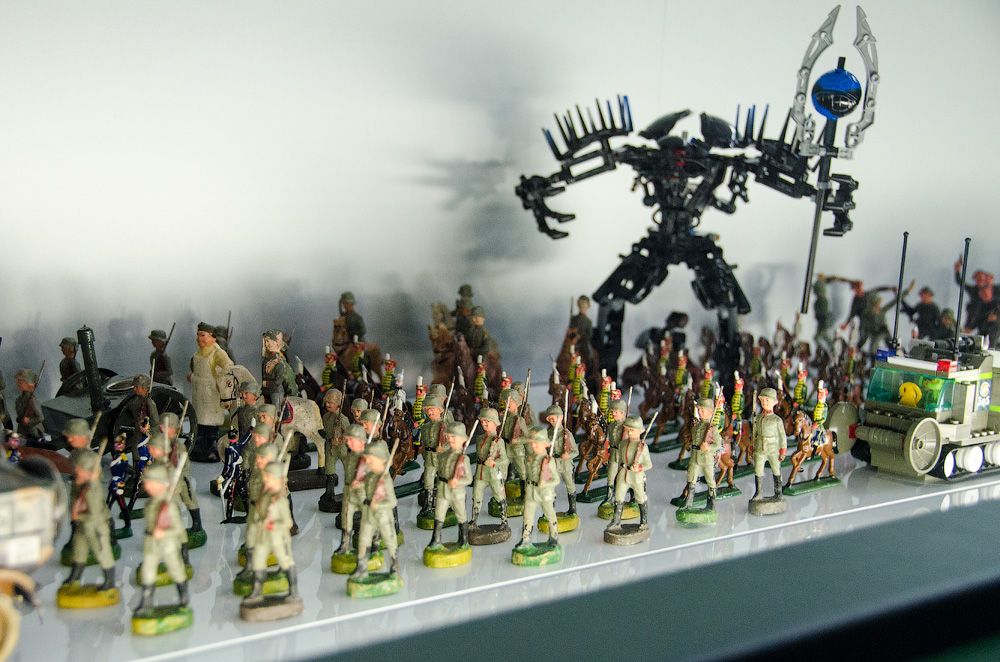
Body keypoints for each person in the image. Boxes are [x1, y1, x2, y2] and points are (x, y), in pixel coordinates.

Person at [134, 464, 189, 615]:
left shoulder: (169, 506)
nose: (147, 486)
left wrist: (164, 533)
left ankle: (184, 599)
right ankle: (146, 603)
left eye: (151, 483)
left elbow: (179, 529)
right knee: (147, 572)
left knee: (176, 570)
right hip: (151, 544)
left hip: (168, 545)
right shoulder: (150, 503)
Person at [244, 462, 298, 603]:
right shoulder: (265, 496)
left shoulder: (281, 502)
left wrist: (273, 524)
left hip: (278, 539)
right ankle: (257, 591)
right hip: (263, 537)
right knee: (258, 561)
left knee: (285, 562)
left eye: (269, 478)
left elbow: (288, 522)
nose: (266, 481)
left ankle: (293, 591)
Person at [63, 449, 116, 592]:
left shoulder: (93, 490)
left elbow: (95, 514)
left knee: (102, 553)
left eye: (79, 469)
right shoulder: (81, 485)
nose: (76, 471)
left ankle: (109, 582)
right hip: (83, 526)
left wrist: (77, 516)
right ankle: (75, 576)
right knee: (79, 551)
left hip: (95, 527)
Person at [352, 442, 400, 578]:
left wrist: (378, 505)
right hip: (368, 515)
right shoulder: (369, 476)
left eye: (371, 460)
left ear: (381, 460)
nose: (368, 462)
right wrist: (358, 486)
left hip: (383, 516)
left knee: (390, 540)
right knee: (364, 540)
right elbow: (365, 491)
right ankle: (361, 568)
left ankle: (394, 565)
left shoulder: (385, 480)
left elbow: (392, 501)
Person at [187, 322, 233, 462]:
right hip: (198, 392)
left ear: (213, 337)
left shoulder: (218, 353)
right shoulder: (198, 353)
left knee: (210, 421)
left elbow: (228, 368)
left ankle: (212, 449)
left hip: (211, 393)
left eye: (203, 335)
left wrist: (222, 383)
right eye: (198, 335)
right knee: (199, 419)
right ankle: (198, 448)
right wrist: (192, 375)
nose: (199, 339)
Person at [425, 422, 473, 551]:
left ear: (463, 440)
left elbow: (469, 479)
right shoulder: (444, 455)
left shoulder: (464, 459)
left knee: (461, 515)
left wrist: (458, 482)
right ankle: (436, 539)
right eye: (449, 436)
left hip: (457, 493)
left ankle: (463, 540)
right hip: (443, 490)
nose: (450, 439)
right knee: (439, 514)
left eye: (454, 437)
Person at [514, 428, 560, 549]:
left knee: (550, 515)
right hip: (531, 492)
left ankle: (554, 537)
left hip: (545, 493)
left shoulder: (549, 461)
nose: (533, 445)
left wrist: (545, 484)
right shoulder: (530, 458)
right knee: (527, 516)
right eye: (532, 442)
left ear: (544, 443)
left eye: (536, 443)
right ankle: (526, 539)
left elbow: (556, 480)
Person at [605, 416, 652, 532]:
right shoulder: (622, 444)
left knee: (641, 498)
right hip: (623, 474)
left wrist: (639, 467)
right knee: (618, 497)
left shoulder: (643, 447)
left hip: (636, 477)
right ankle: (616, 522)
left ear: (640, 431)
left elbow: (649, 464)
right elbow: (620, 461)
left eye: (632, 430)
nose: (629, 432)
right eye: (628, 429)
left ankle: (644, 522)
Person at [680, 397, 722, 511]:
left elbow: (718, 445)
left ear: (710, 412)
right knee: (691, 480)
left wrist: (708, 447)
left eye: (703, 410)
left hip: (706, 459)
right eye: (699, 409)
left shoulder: (713, 428)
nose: (700, 412)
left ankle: (711, 504)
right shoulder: (696, 427)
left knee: (710, 482)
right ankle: (688, 503)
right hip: (695, 458)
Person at [470, 408, 508, 528]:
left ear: (495, 423)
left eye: (487, 421)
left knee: (499, 497)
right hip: (480, 473)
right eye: (482, 421)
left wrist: (493, 463)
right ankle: (474, 521)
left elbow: (505, 460)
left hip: (493, 474)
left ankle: (504, 521)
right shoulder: (479, 439)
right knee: (476, 496)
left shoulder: (499, 441)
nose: (484, 424)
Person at [751, 388, 787, 502]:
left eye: (767, 400)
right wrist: (752, 447)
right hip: (759, 449)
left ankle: (778, 493)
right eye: (762, 400)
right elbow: (754, 434)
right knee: (758, 470)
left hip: (773, 449)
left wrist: (783, 450)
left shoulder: (777, 420)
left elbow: (782, 436)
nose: (764, 402)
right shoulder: (758, 418)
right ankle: (758, 493)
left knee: (776, 470)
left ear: (774, 402)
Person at [542, 405, 578, 516]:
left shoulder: (567, 434)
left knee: (570, 486)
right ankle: (550, 510)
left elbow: (576, 452)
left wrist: (568, 456)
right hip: (553, 465)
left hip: (565, 465)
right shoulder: (548, 433)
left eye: (555, 418)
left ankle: (573, 509)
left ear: (561, 418)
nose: (553, 421)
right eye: (551, 419)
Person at [14, 369, 44, 442]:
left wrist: (29, 420)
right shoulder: (19, 399)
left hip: (33, 433)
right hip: (22, 431)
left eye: (20, 382)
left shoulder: (33, 401)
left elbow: (40, 418)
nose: (17, 383)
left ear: (29, 384)